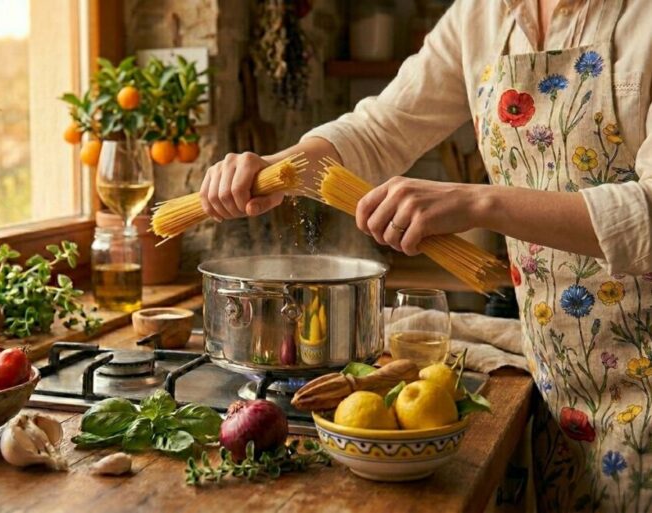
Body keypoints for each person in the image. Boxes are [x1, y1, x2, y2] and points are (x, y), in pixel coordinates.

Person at [200, 0, 652, 510]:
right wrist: (274, 172)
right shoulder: (481, 14)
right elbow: (381, 130)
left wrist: (476, 201)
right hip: (560, 378)